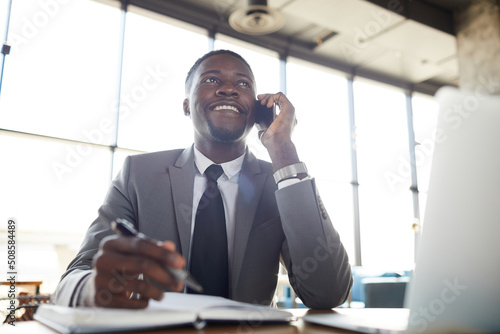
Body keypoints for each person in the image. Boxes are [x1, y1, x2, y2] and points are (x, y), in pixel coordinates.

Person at [54, 49, 352, 309]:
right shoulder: (138, 174)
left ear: (257, 110)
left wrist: (283, 148)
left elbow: (328, 292)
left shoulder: (279, 182)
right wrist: (92, 287)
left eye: (243, 84)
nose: (228, 89)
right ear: (186, 106)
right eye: (211, 80)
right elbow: (73, 277)